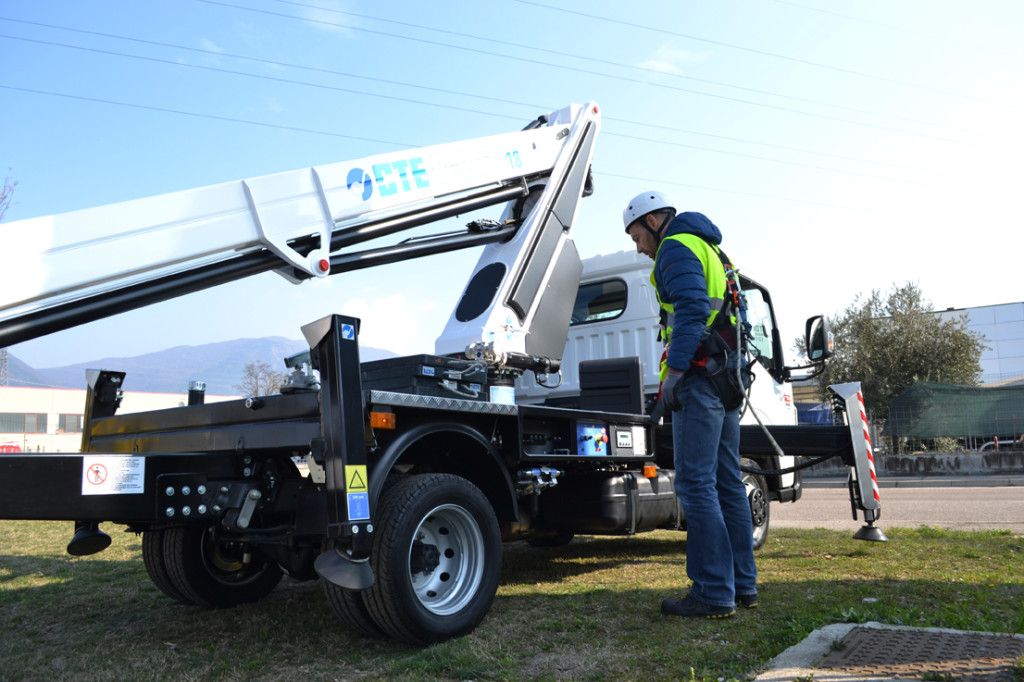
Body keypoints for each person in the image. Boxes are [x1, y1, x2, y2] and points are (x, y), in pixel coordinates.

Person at [622, 191, 757, 619]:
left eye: (637, 235)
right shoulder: (712, 248)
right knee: (727, 483)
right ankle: (742, 586)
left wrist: (674, 376)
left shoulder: (676, 247)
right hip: (728, 376)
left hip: (700, 379)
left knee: (695, 486)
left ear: (655, 220)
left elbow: (692, 309)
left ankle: (713, 592)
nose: (639, 247)